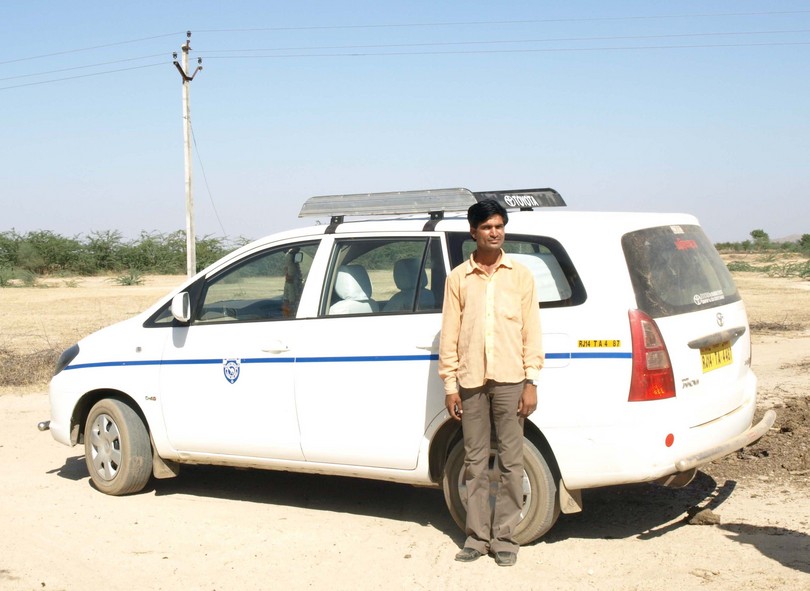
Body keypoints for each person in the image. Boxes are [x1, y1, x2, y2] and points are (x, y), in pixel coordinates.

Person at [438, 199, 544, 567]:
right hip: (470, 382)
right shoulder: (458, 278)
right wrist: (450, 385)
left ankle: (505, 538)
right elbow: (449, 335)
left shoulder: (520, 275)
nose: (494, 232)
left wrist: (531, 381)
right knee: (475, 461)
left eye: (499, 226)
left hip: (511, 380)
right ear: (473, 232)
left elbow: (532, 331)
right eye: (486, 227)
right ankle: (477, 537)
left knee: (513, 462)